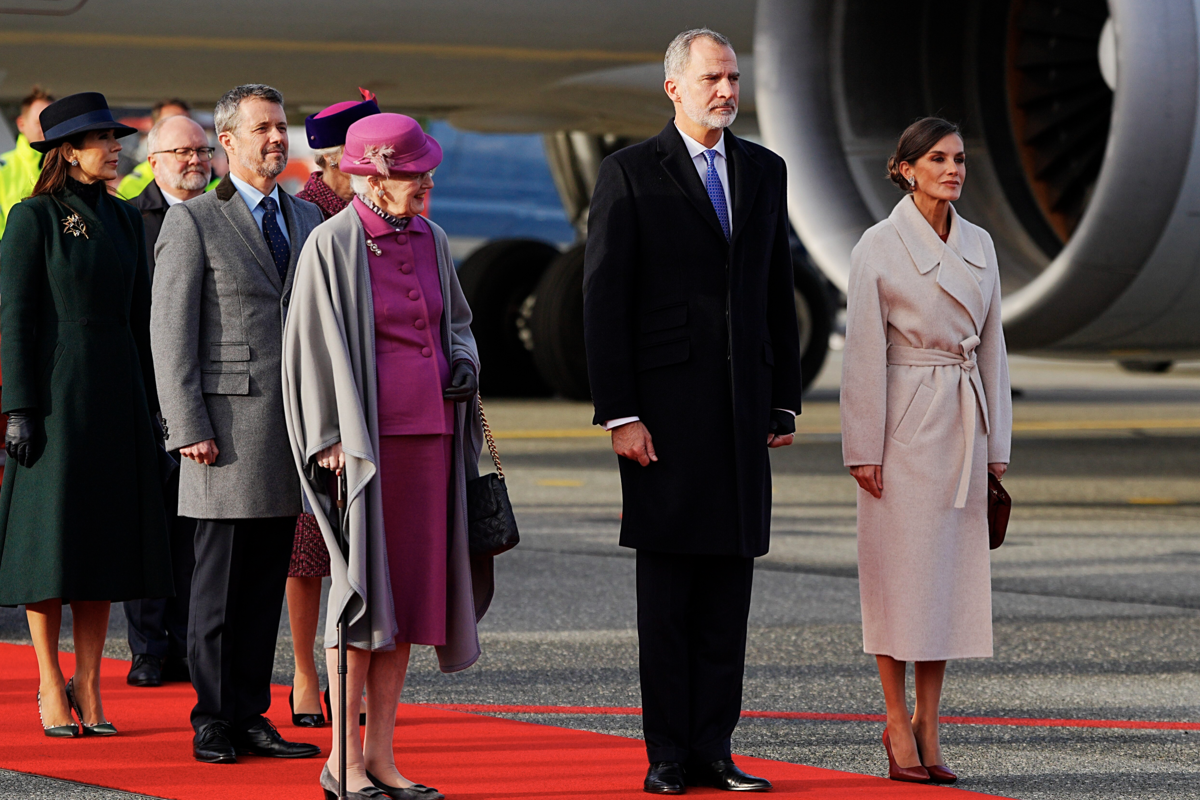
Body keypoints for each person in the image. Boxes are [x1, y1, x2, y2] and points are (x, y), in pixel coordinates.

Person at [582, 28, 802, 795]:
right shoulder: (631, 173)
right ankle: (668, 755)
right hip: (665, 421)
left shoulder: (764, 170)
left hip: (742, 416)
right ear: (674, 86)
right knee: (670, 597)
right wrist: (620, 413)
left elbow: (778, 288)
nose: (727, 90)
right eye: (712, 77)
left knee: (726, 598)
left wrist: (784, 396)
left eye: (734, 77)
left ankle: (716, 748)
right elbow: (604, 302)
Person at [283, 112, 491, 800]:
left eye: (425, 169)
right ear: (373, 175)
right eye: (411, 172)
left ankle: (381, 757)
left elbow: (456, 322)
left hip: (430, 445)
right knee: (359, 604)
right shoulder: (330, 245)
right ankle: (339, 761)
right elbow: (308, 352)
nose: (426, 181)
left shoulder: (431, 238)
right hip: (364, 457)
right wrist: (329, 439)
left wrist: (463, 360)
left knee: (405, 605)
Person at [150, 84, 323, 765]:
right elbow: (170, 334)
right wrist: (186, 423)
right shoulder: (194, 222)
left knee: (260, 589)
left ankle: (251, 713)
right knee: (218, 588)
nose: (278, 138)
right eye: (263, 128)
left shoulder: (306, 217)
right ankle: (212, 718)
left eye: (282, 126)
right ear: (228, 142)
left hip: (289, 430)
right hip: (221, 429)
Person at [840, 117, 1012, 784]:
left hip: (964, 424)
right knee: (897, 581)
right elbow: (862, 355)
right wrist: (863, 446)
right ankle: (892, 718)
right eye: (938, 158)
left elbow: (994, 345)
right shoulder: (878, 247)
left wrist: (997, 444)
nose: (953, 169)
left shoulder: (980, 245)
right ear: (906, 167)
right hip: (902, 426)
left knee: (944, 584)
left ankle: (930, 723)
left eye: (960, 159)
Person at [0, 91, 172, 738]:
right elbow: (14, 319)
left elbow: (141, 320)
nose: (115, 147)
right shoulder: (33, 217)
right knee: (52, 546)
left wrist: (153, 404)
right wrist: (18, 407)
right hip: (55, 398)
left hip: (116, 393)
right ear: (68, 152)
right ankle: (48, 680)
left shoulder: (127, 221)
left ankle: (91, 683)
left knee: (103, 546)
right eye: (102, 139)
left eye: (115, 137)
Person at [286, 89, 380, 729]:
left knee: (367, 544)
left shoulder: (383, 214)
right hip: (321, 395)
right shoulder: (306, 217)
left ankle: (361, 674)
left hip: (376, 396)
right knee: (309, 546)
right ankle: (304, 670)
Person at [122, 113, 214, 688]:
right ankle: (149, 648)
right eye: (181, 152)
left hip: (211, 400)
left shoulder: (223, 215)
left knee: (194, 534)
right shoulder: (131, 221)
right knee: (147, 527)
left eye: (202, 152)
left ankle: (185, 644)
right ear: (153, 161)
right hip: (146, 397)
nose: (194, 162)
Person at [0, 86, 55, 241]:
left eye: (52, 122)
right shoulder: (3, 169)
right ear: (21, 124)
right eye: (39, 122)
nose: (46, 128)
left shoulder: (71, 168)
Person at [117, 98, 192, 200]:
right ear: (154, 130)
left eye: (185, 124)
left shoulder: (211, 182)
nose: (178, 130)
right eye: (170, 125)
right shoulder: (133, 184)